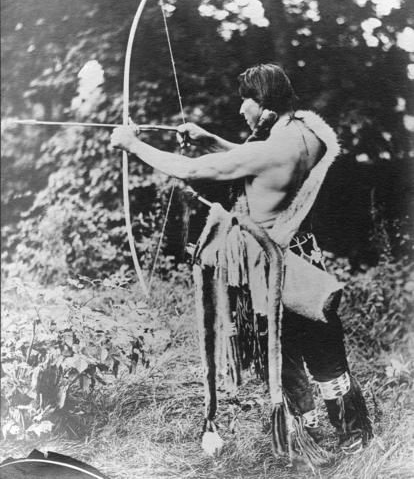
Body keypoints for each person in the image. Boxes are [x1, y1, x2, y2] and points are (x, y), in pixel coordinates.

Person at [110, 63, 372, 463]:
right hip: (307, 256)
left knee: (281, 354)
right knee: (324, 349)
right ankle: (353, 433)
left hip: (276, 267)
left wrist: (133, 145)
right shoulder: (305, 132)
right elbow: (261, 165)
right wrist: (210, 138)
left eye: (246, 101)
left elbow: (194, 169)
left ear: (264, 104)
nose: (241, 110)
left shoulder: (268, 148)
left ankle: (304, 435)